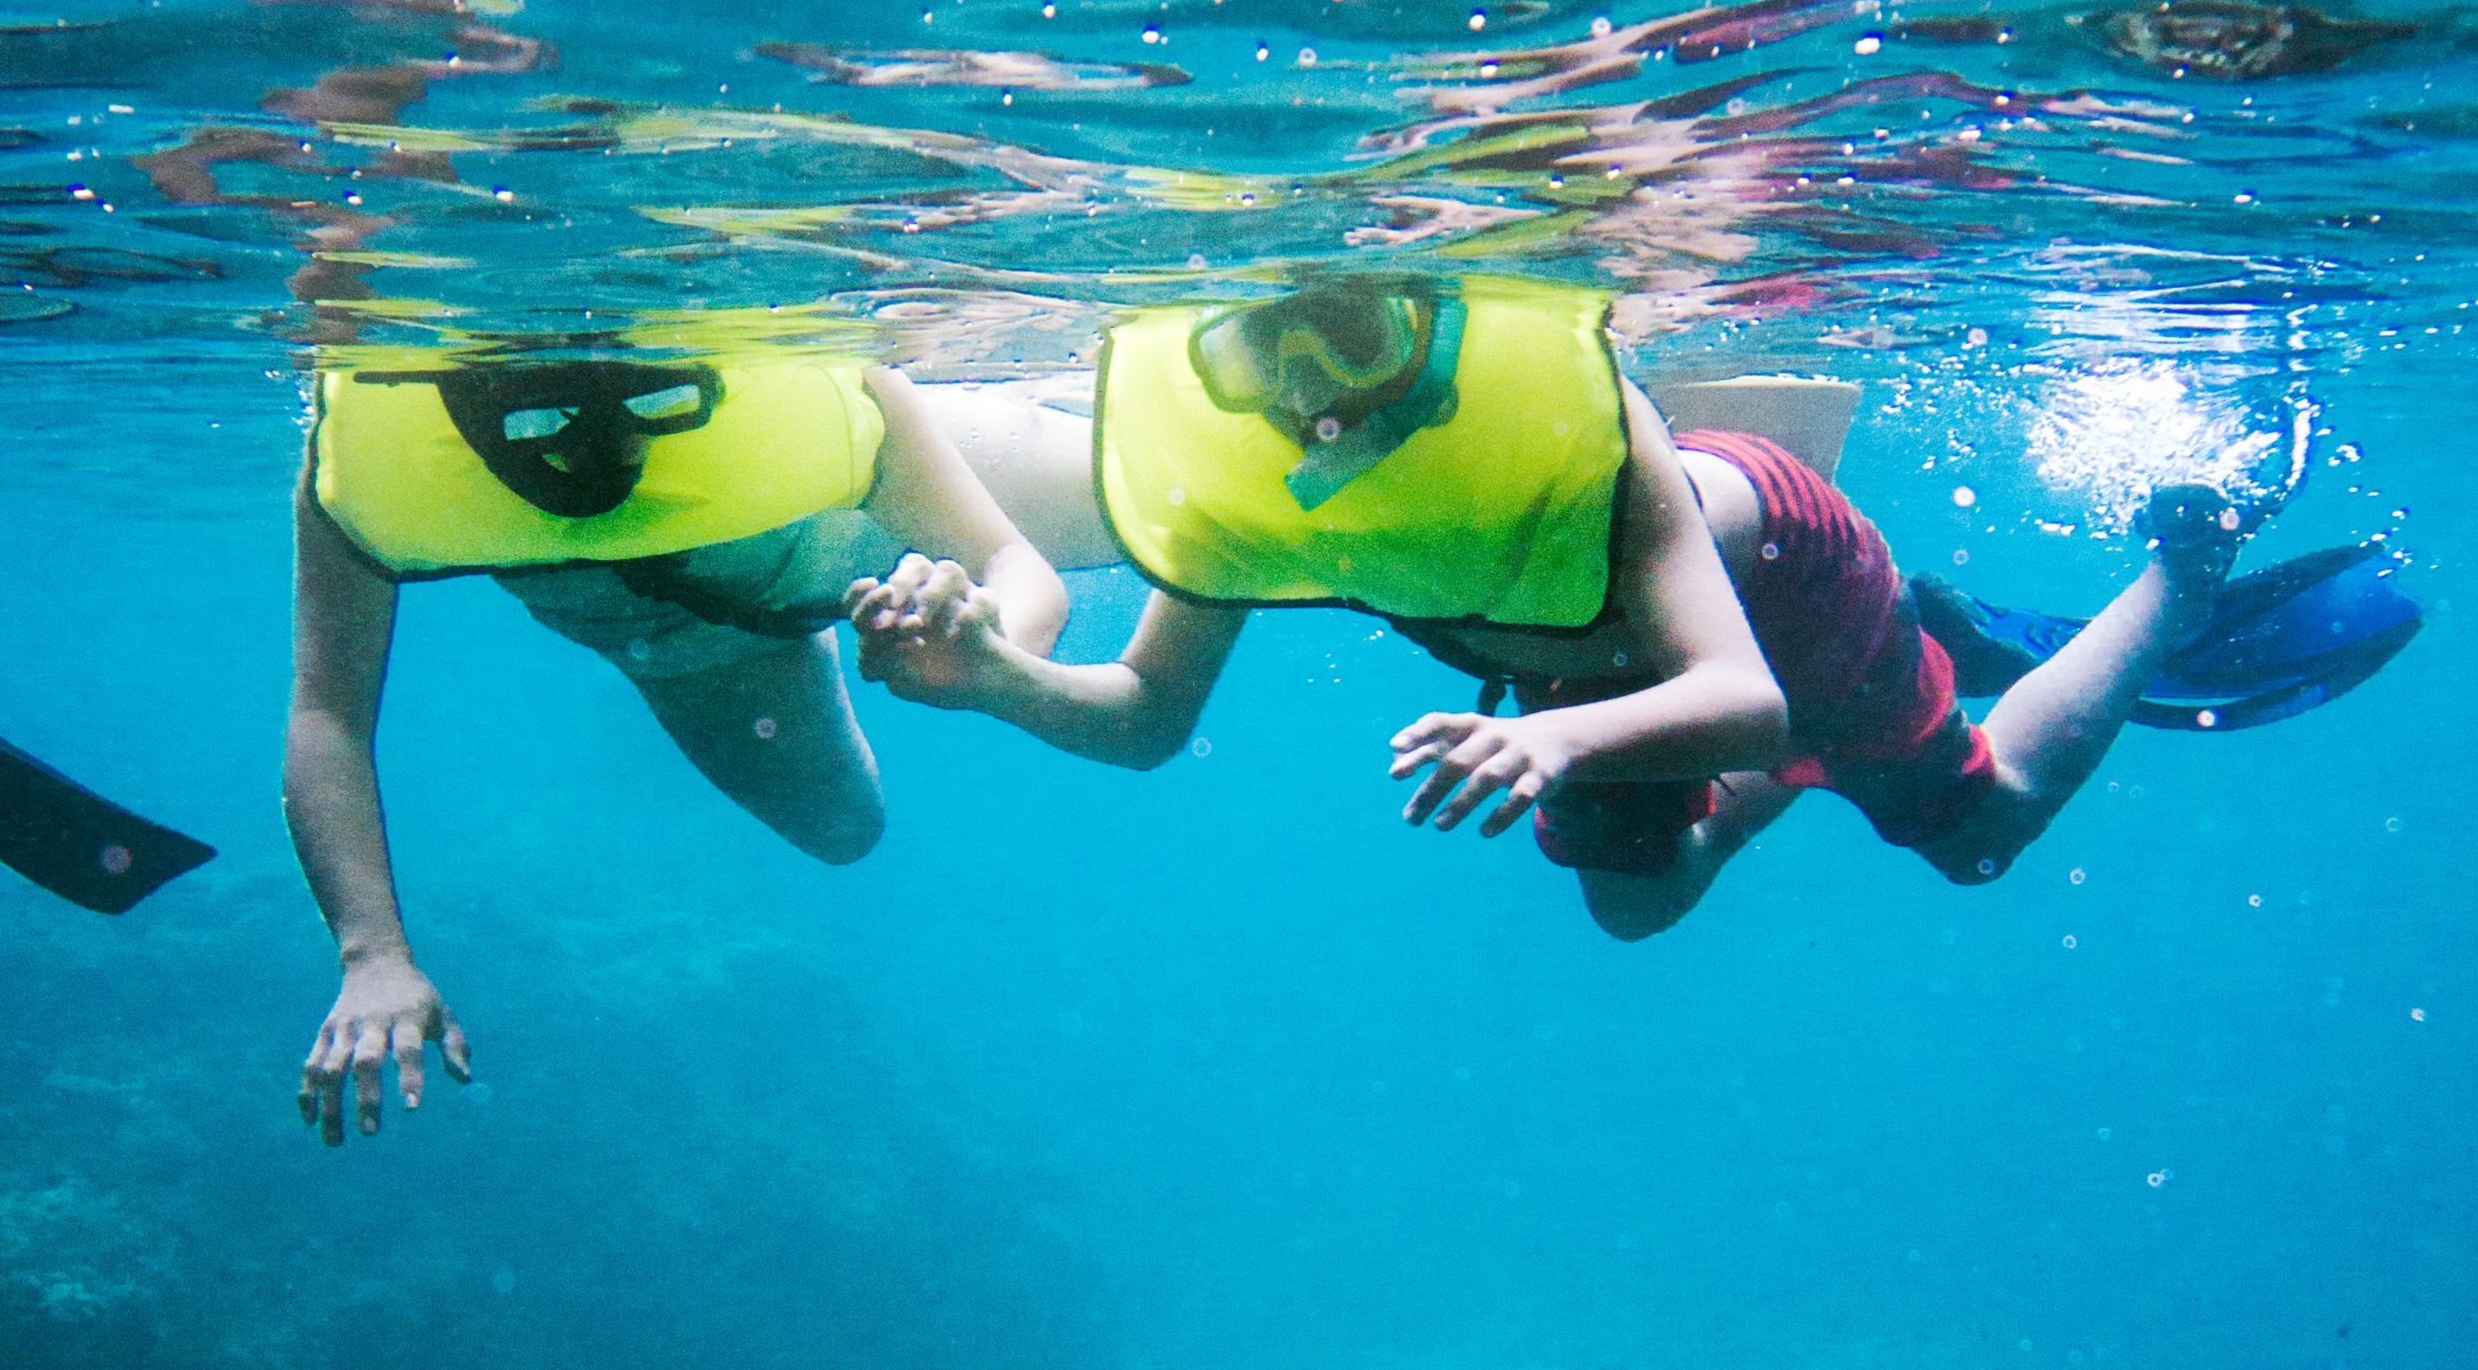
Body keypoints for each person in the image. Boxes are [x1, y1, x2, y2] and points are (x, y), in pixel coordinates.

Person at [849, 274, 2298, 944]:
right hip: (1600, 668)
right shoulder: (1232, 492)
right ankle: (1832, 737)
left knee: (1979, 834)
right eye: (1254, 348)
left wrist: (1558, 745)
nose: (1307, 389)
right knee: (1632, 912)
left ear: (1431, 331)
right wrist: (995, 680)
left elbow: (1743, 697)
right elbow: (1148, 720)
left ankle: (2186, 562)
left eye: (1349, 328)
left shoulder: (1582, 445)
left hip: (1785, 595)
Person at [288, 345, 1090, 1144]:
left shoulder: (822, 396)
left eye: (659, 403)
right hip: (690, 646)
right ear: (453, 399)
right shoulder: (373, 456)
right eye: (537, 416)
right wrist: (372, 954)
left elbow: (1017, 567)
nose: (608, 455)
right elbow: (330, 714)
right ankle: (785, 644)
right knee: (845, 829)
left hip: (875, 530)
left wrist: (987, 646)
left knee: (1156, 489)